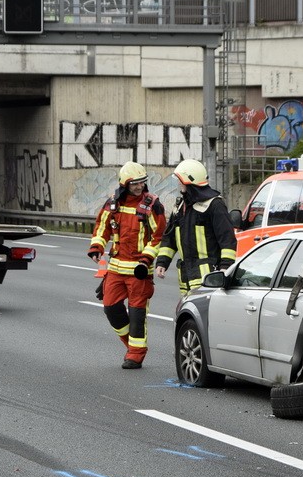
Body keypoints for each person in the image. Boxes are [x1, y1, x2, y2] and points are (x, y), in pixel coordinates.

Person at [87, 161, 166, 369]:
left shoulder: (152, 205)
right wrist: (96, 247)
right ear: (124, 184)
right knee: (111, 308)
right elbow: (101, 227)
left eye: (142, 183)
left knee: (138, 314)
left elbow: (158, 237)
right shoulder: (113, 203)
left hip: (140, 271)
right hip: (115, 269)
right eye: (135, 184)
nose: (139, 187)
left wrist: (147, 258)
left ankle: (136, 354)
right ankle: (131, 343)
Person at [155, 158, 238, 294]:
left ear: (189, 181)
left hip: (209, 279)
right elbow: (169, 238)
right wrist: (162, 262)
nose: (178, 183)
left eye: (180, 180)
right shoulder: (181, 206)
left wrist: (225, 268)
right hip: (187, 279)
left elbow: (227, 240)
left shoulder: (215, 205)